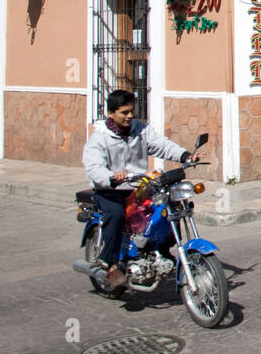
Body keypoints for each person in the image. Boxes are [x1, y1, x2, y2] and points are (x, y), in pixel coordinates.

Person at [82, 89, 198, 291]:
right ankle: (111, 264)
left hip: (139, 186)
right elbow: (93, 167)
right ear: (111, 113)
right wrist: (110, 176)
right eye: (124, 112)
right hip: (110, 189)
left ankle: (162, 249)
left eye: (131, 112)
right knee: (116, 214)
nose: (129, 116)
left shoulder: (140, 130)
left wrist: (185, 155)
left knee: (168, 206)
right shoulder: (100, 138)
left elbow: (161, 145)